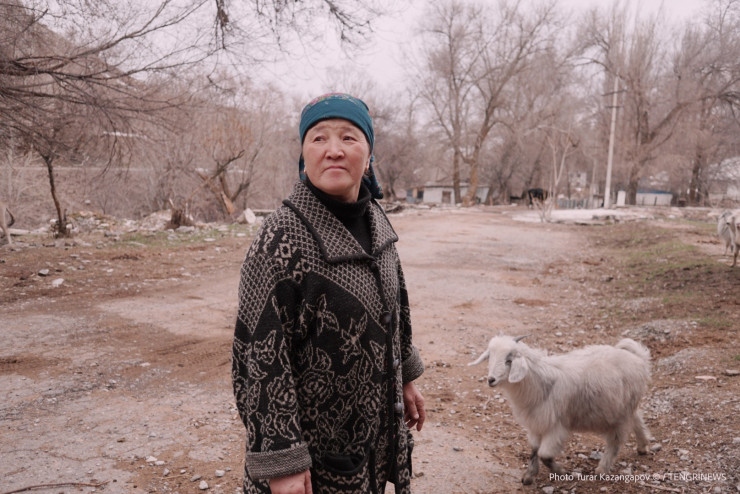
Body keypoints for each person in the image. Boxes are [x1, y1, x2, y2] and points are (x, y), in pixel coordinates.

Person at [232, 93, 426, 494]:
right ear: (304, 156)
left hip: (370, 435)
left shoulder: (376, 221)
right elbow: (258, 359)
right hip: (314, 458)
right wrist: (282, 461)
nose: (334, 150)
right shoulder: (280, 239)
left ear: (368, 156)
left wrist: (404, 376)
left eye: (349, 138)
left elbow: (395, 307)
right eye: (318, 138)